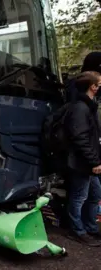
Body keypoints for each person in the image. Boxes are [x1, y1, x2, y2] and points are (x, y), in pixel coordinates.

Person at [64, 71, 101, 246]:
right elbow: (80, 138)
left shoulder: (89, 105)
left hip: (88, 161)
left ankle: (91, 228)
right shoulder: (80, 107)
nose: (100, 86)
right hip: (81, 163)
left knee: (95, 194)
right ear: (92, 86)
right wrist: (94, 162)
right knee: (79, 197)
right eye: (99, 83)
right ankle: (77, 230)